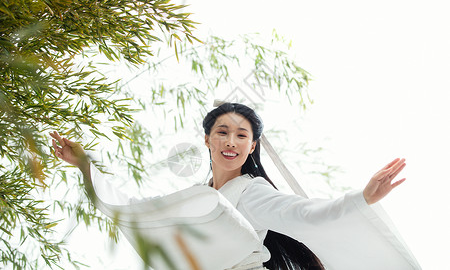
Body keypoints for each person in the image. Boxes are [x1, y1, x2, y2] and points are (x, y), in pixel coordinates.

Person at [50, 102, 416, 270]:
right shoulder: (198, 199)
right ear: (207, 139)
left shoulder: (251, 190)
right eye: (222, 132)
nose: (231, 141)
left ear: (252, 146)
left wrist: (361, 198)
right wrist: (84, 163)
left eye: (242, 135)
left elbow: (303, 213)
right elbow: (136, 209)